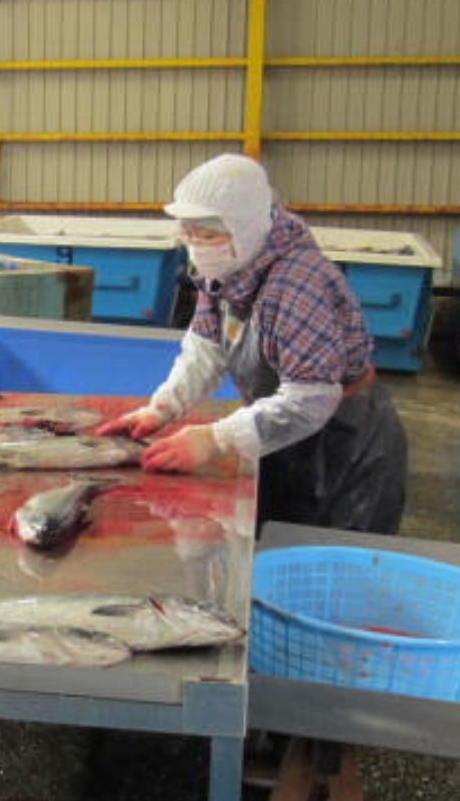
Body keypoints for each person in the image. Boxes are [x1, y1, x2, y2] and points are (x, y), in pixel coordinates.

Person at [93, 152, 406, 535]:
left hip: (342, 443)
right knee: (273, 542)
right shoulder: (227, 268)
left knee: (328, 558)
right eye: (188, 233)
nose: (197, 246)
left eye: (208, 235)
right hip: (283, 431)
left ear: (246, 228)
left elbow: (310, 401)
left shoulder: (297, 284)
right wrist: (162, 407)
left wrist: (213, 438)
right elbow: (205, 346)